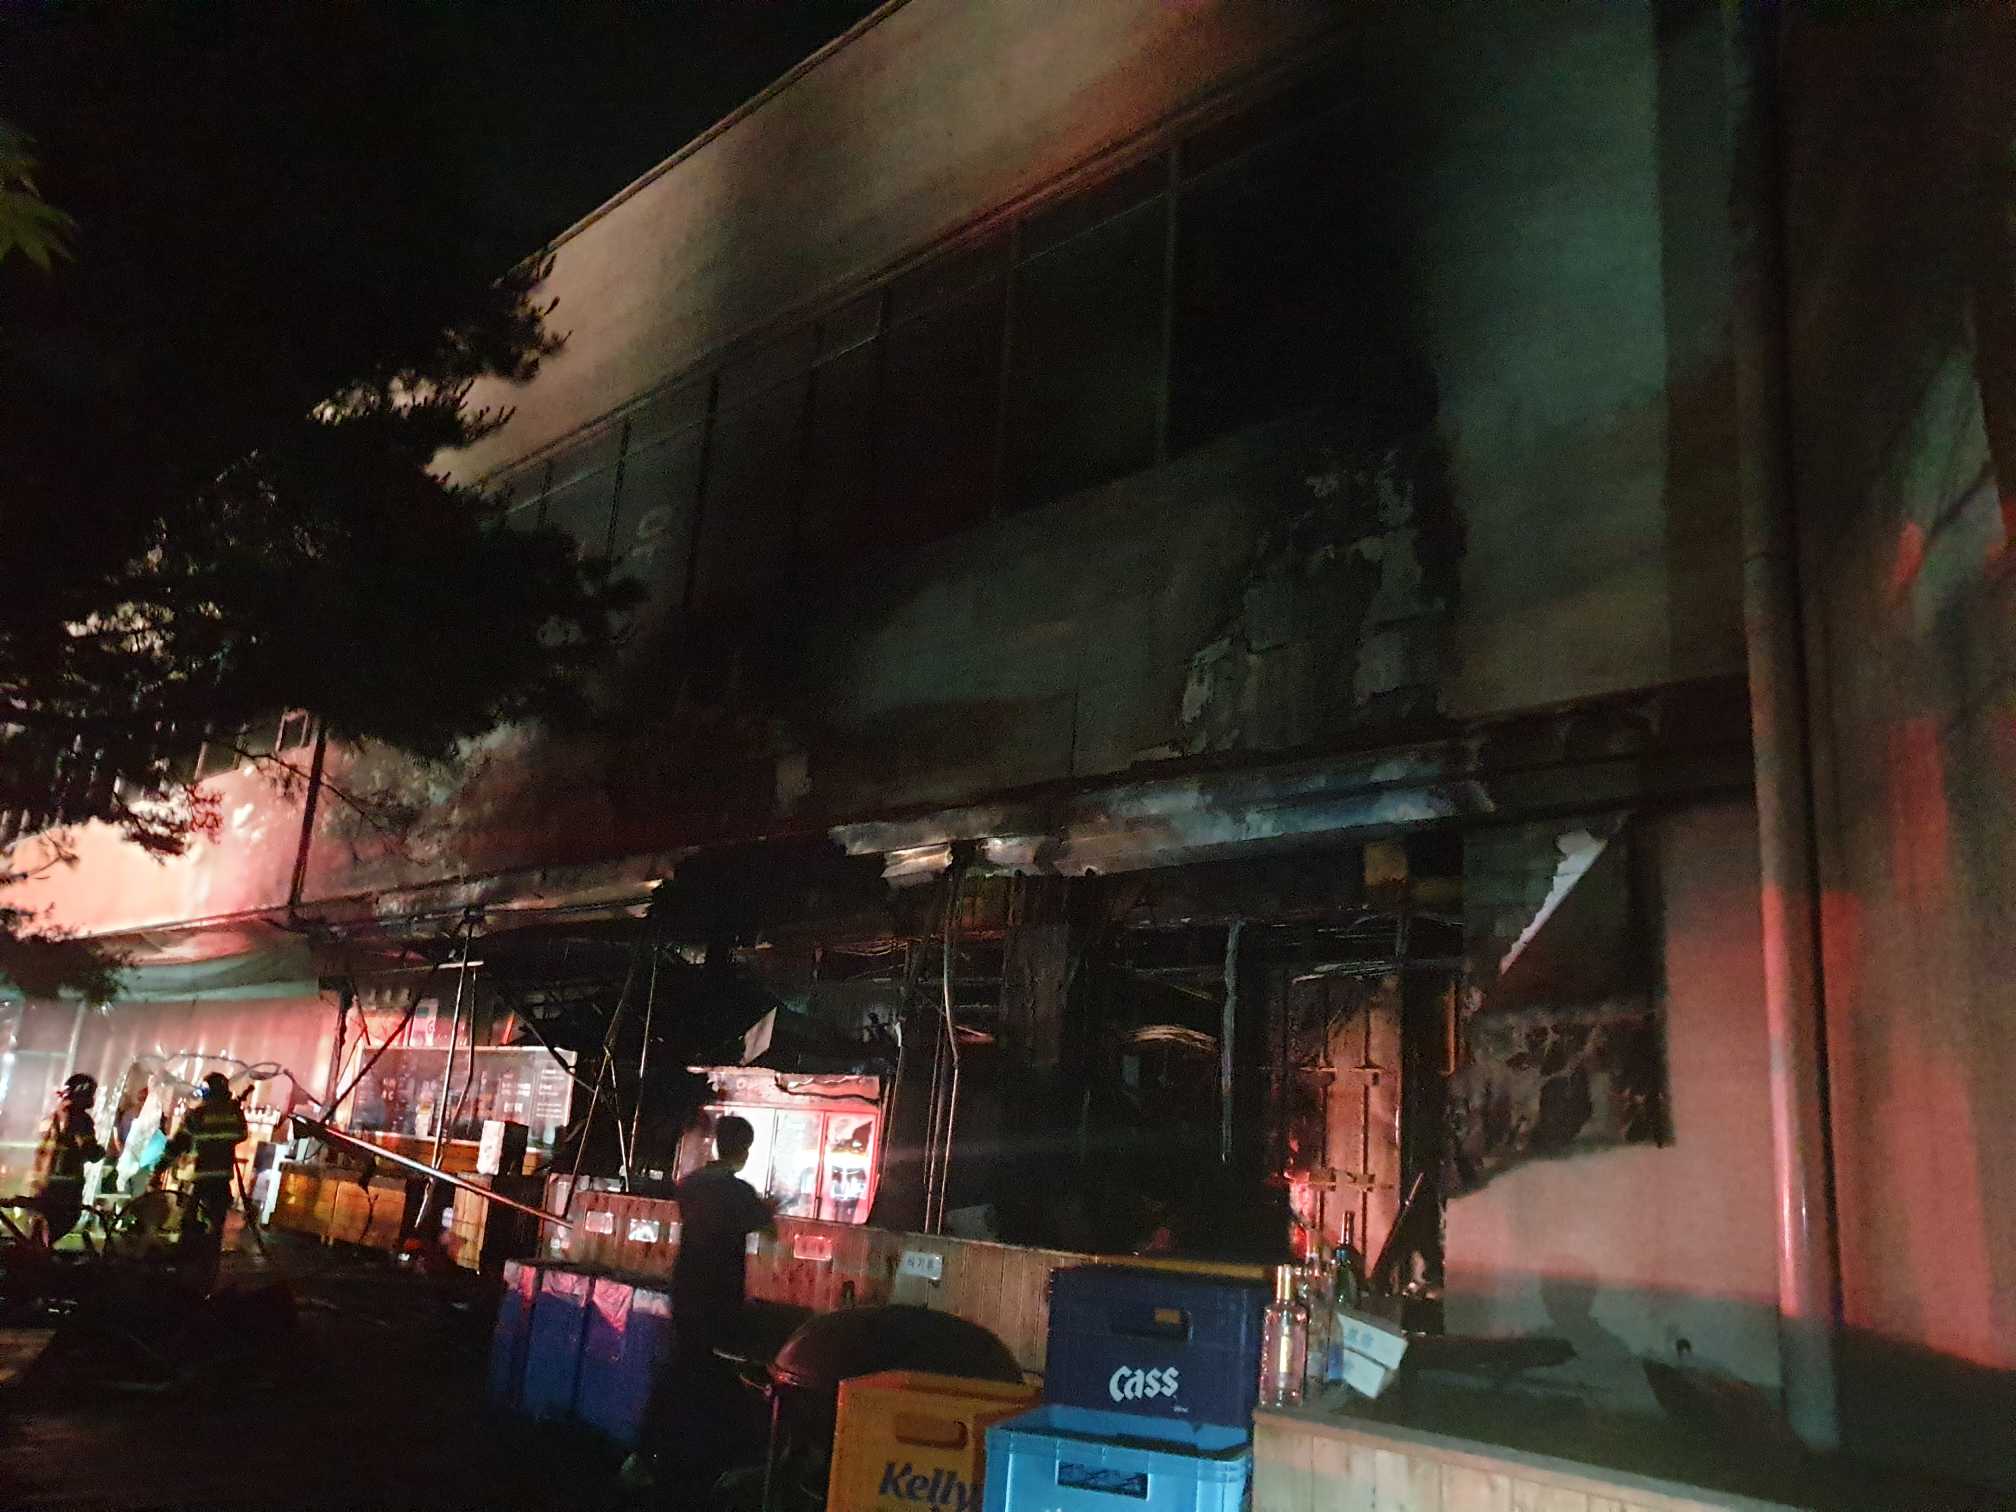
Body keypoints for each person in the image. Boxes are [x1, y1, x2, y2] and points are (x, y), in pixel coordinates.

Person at [626, 1114, 776, 1490]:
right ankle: (691, 1461)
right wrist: (771, 1208)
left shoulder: (692, 1184)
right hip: (719, 1297)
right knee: (710, 1372)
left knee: (685, 1369)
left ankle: (657, 1457)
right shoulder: (739, 1192)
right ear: (743, 1150)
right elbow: (767, 1228)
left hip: (687, 1291)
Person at [163, 1072, 247, 1278]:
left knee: (190, 1224)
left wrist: (159, 1168)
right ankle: (208, 1271)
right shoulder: (233, 1114)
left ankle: (184, 1270)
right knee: (215, 1228)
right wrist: (234, 1112)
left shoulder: (197, 1115)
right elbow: (241, 1134)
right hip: (222, 1179)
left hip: (200, 1179)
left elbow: (178, 1144)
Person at [28, 1073, 103, 1247]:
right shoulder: (80, 1119)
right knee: (62, 1222)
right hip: (65, 1186)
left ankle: (29, 1258)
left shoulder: (52, 1116)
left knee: (39, 1230)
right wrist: (100, 1152)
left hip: (40, 1182)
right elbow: (90, 1151)